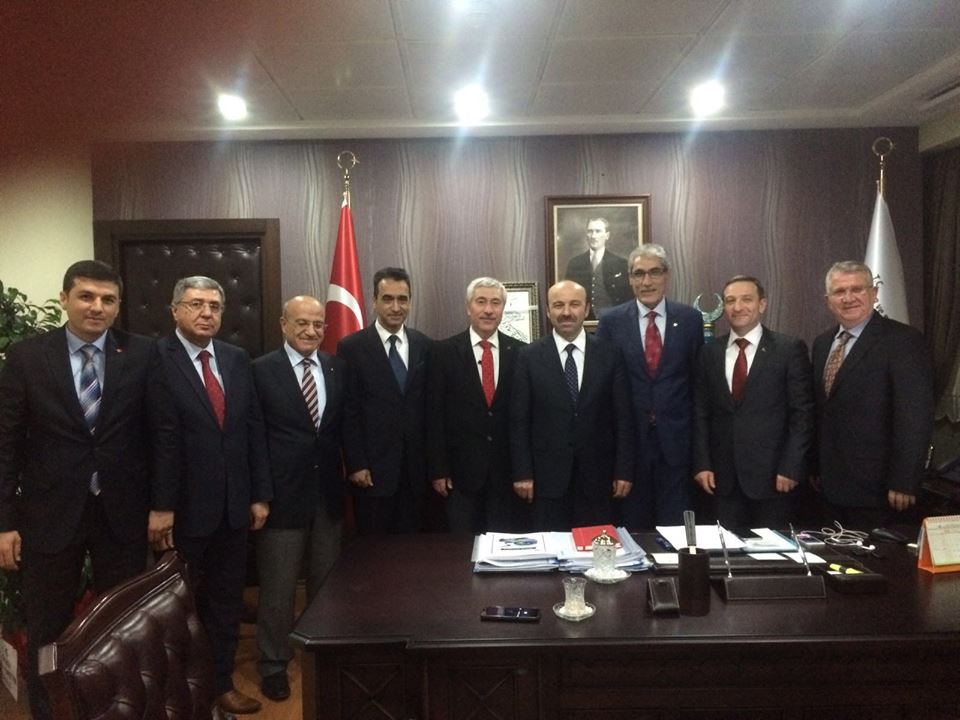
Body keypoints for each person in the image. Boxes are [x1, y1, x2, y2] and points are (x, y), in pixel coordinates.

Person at [0, 260, 161, 720]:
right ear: (64, 299)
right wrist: (5, 523)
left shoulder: (142, 353)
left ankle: (117, 706)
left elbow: (159, 433)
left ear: (118, 306)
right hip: (49, 514)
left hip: (122, 513)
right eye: (86, 296)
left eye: (108, 299)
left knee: (122, 623)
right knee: (47, 626)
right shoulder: (28, 357)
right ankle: (49, 711)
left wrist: (162, 505)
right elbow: (6, 444)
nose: (97, 307)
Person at [151, 275, 271, 716]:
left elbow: (253, 430)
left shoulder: (237, 359)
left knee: (225, 603)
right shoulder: (154, 358)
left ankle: (220, 683)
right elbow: (153, 439)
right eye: (196, 304)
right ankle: (179, 692)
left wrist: (259, 494)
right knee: (178, 608)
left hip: (234, 508)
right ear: (175, 310)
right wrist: (160, 506)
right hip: (180, 513)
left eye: (214, 306)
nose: (206, 313)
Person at [252, 295, 345, 702]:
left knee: (326, 584)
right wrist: (259, 495)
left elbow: (337, 430)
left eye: (318, 324)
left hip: (328, 495)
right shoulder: (260, 370)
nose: (310, 331)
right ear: (283, 325)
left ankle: (319, 652)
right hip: (281, 497)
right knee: (279, 587)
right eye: (302, 323)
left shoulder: (336, 368)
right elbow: (253, 438)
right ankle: (273, 663)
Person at [811, 261, 934, 528]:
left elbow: (914, 416)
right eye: (839, 291)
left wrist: (905, 480)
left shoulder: (903, 341)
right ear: (828, 301)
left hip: (880, 490)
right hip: (828, 488)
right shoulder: (822, 344)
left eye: (857, 289)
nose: (848, 298)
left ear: (874, 293)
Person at [510, 280, 634, 531]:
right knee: (551, 548)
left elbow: (623, 418)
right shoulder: (528, 357)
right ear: (548, 311)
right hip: (546, 480)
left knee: (595, 548)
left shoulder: (610, 354)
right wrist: (522, 473)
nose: (566, 312)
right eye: (558, 305)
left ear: (586, 309)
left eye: (574, 304)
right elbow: (519, 421)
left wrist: (624, 470)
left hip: (599, 479)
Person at [692, 276, 814, 529]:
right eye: (730, 301)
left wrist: (792, 466)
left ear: (762, 304)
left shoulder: (789, 349)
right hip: (722, 481)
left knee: (773, 550)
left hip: (774, 479)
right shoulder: (709, 353)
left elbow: (802, 414)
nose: (738, 307)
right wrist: (702, 464)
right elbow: (701, 413)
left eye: (746, 299)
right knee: (724, 550)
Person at [597, 244, 703, 528]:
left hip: (677, 445)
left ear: (666, 275)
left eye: (654, 272)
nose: (646, 281)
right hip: (630, 448)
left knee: (676, 531)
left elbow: (698, 385)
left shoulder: (690, 320)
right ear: (630, 278)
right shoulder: (611, 322)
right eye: (638, 274)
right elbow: (604, 387)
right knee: (633, 529)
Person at [428, 277, 527, 533]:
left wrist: (524, 471)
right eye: (481, 302)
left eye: (495, 303)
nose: (488, 310)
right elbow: (434, 415)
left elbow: (525, 417)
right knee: (462, 549)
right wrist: (438, 469)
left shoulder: (521, 352)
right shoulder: (442, 353)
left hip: (507, 476)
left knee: (503, 546)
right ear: (468, 307)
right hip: (460, 476)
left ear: (503, 308)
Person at [338, 267, 432, 534]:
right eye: (388, 299)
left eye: (403, 299)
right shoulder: (352, 347)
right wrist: (357, 463)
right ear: (374, 301)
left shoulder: (425, 345)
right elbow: (349, 411)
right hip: (372, 472)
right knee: (376, 551)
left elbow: (431, 409)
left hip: (417, 472)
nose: (396, 307)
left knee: (416, 549)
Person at [564, 217, 632, 320]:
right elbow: (567, 295)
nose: (593, 236)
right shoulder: (575, 264)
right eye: (590, 231)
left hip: (613, 321)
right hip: (583, 321)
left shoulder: (621, 264)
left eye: (598, 231)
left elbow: (627, 299)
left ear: (607, 235)